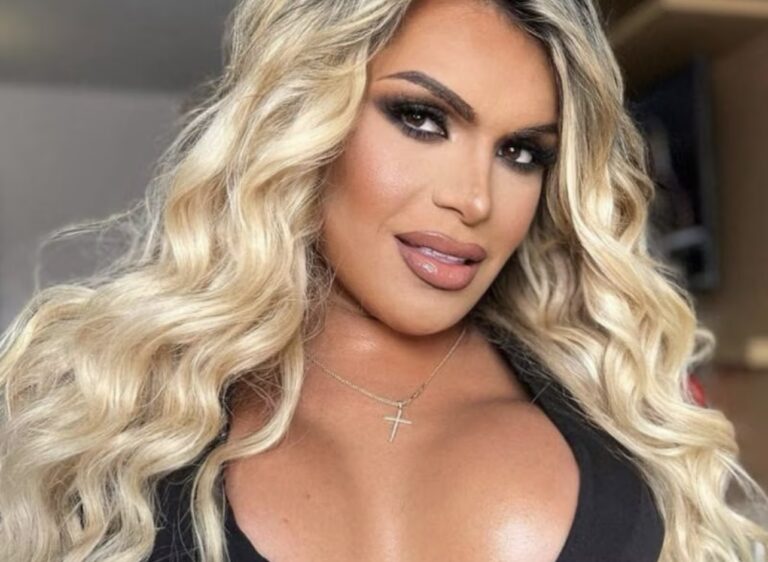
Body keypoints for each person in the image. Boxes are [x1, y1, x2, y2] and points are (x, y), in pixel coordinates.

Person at [1, 0, 767, 560]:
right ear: (307, 120)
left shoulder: (617, 413)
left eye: (521, 153)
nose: (473, 199)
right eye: (422, 119)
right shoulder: (113, 418)